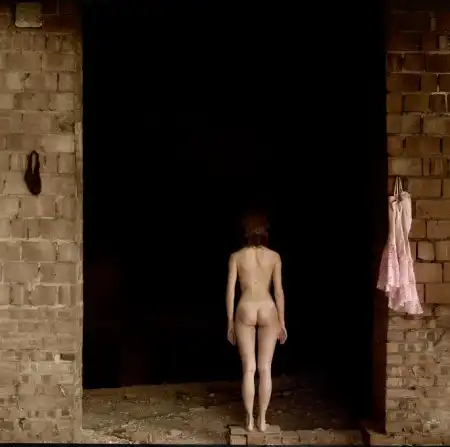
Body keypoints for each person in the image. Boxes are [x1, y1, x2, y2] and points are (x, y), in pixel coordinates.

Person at [226, 211, 287, 432]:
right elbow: (278, 291)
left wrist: (230, 322)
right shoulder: (274, 257)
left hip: (246, 307)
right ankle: (262, 421)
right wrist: (282, 322)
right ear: (264, 231)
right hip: (268, 308)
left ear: (245, 232)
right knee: (265, 368)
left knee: (249, 369)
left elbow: (230, 291)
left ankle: (249, 421)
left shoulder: (236, 257)